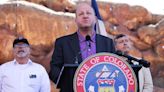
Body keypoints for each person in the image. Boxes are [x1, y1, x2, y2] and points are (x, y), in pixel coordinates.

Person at [49, 2, 115, 92]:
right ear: (75, 20)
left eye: (88, 13)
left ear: (95, 19)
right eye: (81, 14)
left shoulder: (108, 42)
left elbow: (113, 68)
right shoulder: (62, 43)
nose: (85, 16)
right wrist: (70, 84)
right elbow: (54, 70)